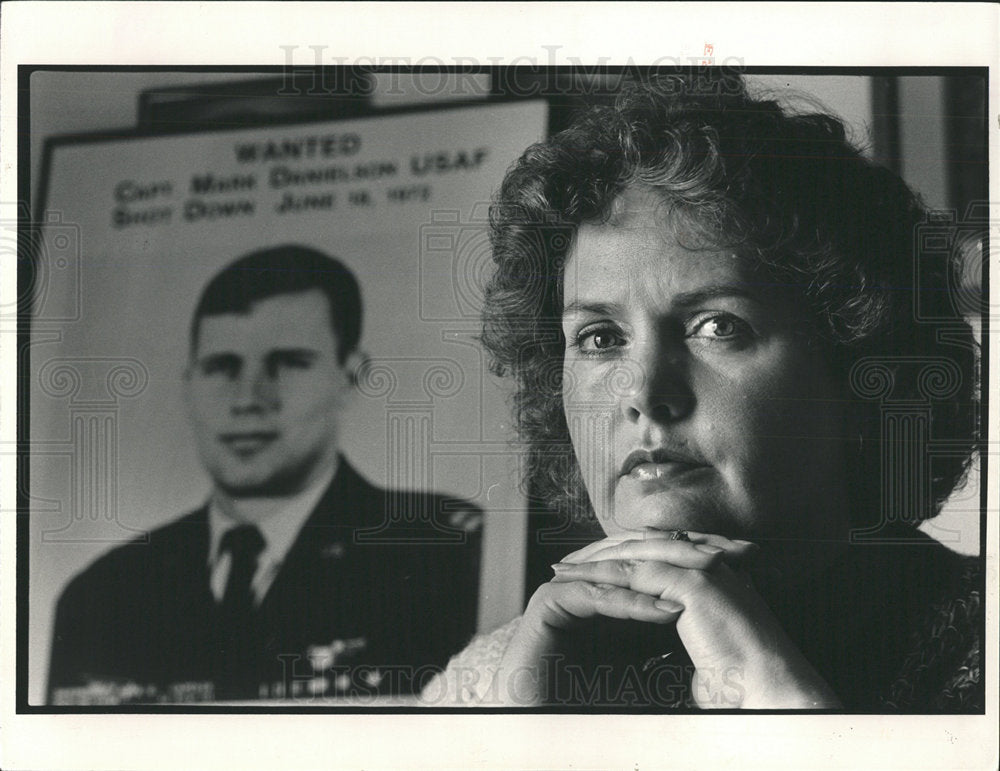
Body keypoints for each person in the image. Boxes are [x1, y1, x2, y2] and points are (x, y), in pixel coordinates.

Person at [421, 74, 981, 710]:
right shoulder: (489, 681)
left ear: (863, 371)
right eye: (600, 338)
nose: (644, 393)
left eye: (718, 327)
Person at [48, 244, 482, 704]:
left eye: (288, 363)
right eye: (221, 367)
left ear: (351, 377)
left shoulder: (443, 558)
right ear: (189, 385)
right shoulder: (104, 595)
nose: (248, 399)